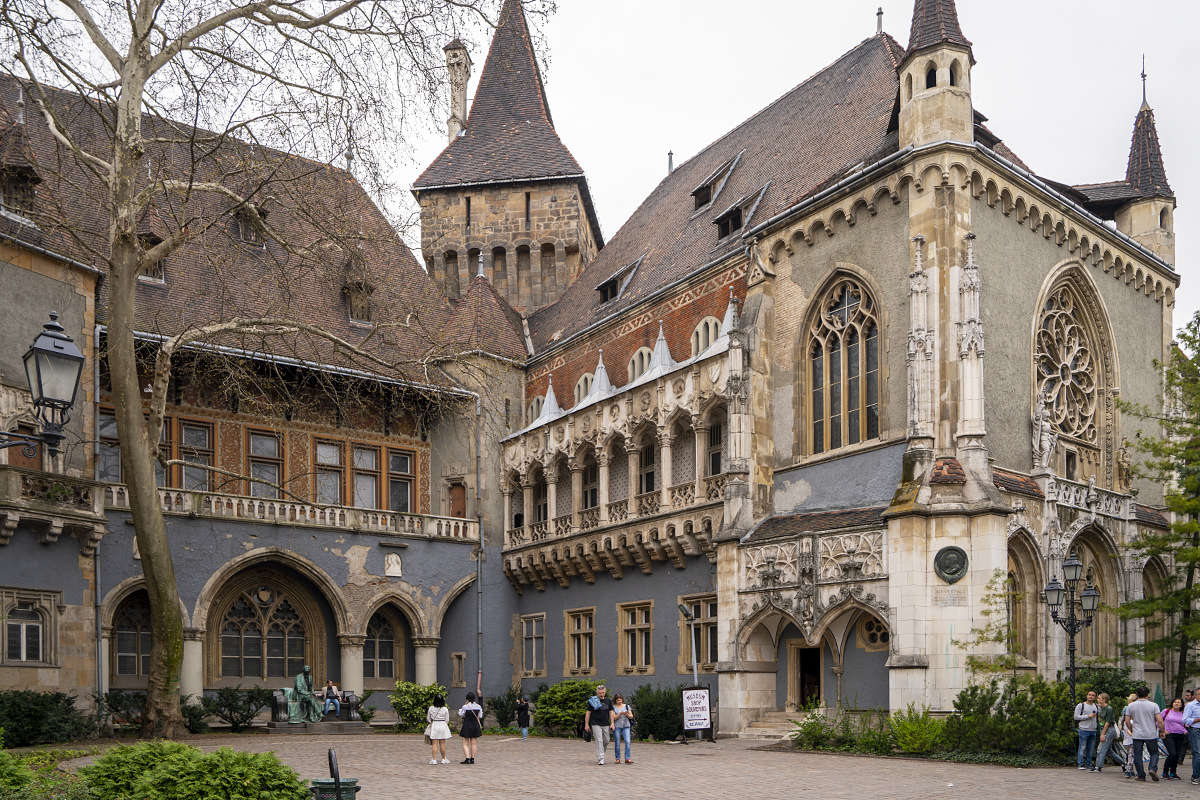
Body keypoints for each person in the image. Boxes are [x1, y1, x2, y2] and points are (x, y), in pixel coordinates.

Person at [1124, 686, 1166, 781]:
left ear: (1137, 695)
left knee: (1138, 755)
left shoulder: (1131, 706)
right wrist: (1162, 731)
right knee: (1154, 753)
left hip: (1137, 734)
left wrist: (1131, 729)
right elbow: (1159, 720)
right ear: (1148, 695)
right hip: (1150, 733)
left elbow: (1127, 721)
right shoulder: (1154, 705)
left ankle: (1141, 775)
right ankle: (1152, 768)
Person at [584, 684, 615, 765]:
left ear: (605, 692)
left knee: (606, 740)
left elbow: (611, 712)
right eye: (600, 693)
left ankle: (600, 753)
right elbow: (588, 713)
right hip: (595, 723)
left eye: (603, 692)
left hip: (605, 724)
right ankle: (601, 758)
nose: (601, 694)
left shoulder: (608, 701)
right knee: (599, 741)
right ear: (597, 692)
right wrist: (586, 724)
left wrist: (612, 723)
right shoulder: (593, 701)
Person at [1073, 690, 1099, 770]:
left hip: (1093, 730)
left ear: (1095, 697)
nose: (1090, 696)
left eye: (1093, 695)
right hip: (1083, 729)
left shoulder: (1096, 706)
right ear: (1087, 696)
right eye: (1089, 695)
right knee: (1082, 747)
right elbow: (1076, 716)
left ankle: (1089, 763)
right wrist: (1087, 716)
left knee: (1090, 748)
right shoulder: (1081, 705)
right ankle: (1080, 763)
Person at [1163, 697, 1187, 779]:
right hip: (1169, 735)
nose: (1176, 703)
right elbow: (1158, 721)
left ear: (1181, 705)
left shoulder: (1183, 713)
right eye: (1175, 702)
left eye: (1179, 702)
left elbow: (1186, 724)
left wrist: (1185, 730)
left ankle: (1173, 772)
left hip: (1180, 735)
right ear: (1172, 703)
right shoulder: (1166, 711)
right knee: (1172, 753)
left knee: (1177, 754)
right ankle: (1165, 771)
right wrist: (1162, 730)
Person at [426, 694, 452, 765]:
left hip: (434, 725)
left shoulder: (431, 708)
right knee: (442, 743)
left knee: (434, 744)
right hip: (442, 725)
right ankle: (443, 759)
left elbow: (428, 718)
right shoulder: (445, 709)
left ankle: (434, 759)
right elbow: (447, 720)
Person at [458, 691, 483, 764]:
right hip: (475, 725)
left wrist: (465, 704)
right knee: (474, 743)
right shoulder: (478, 706)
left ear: (467, 699)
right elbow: (480, 716)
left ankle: (467, 758)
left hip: (467, 725)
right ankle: (472, 759)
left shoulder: (465, 706)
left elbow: (460, 713)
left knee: (465, 743)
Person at [1094, 693, 1116, 773]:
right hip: (1102, 728)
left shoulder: (1109, 709)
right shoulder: (1100, 708)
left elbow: (1107, 722)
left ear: (1104, 700)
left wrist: (1103, 734)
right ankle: (1124, 763)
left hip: (1108, 729)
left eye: (1099, 698)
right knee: (1109, 751)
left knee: (1100, 749)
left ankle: (1098, 766)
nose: (1097, 699)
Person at [1183, 688, 1200, 784]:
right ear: (1195, 696)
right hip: (1195, 730)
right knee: (1197, 753)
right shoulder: (1190, 706)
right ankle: (1196, 776)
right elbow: (1185, 720)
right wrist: (1197, 720)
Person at [612, 693, 634, 764]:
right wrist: (620, 713)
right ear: (615, 700)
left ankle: (627, 758)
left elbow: (631, 716)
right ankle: (617, 758)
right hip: (617, 726)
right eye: (618, 700)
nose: (619, 702)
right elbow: (614, 718)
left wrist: (627, 714)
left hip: (626, 726)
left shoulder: (627, 706)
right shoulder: (613, 707)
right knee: (617, 742)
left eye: (620, 700)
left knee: (627, 741)